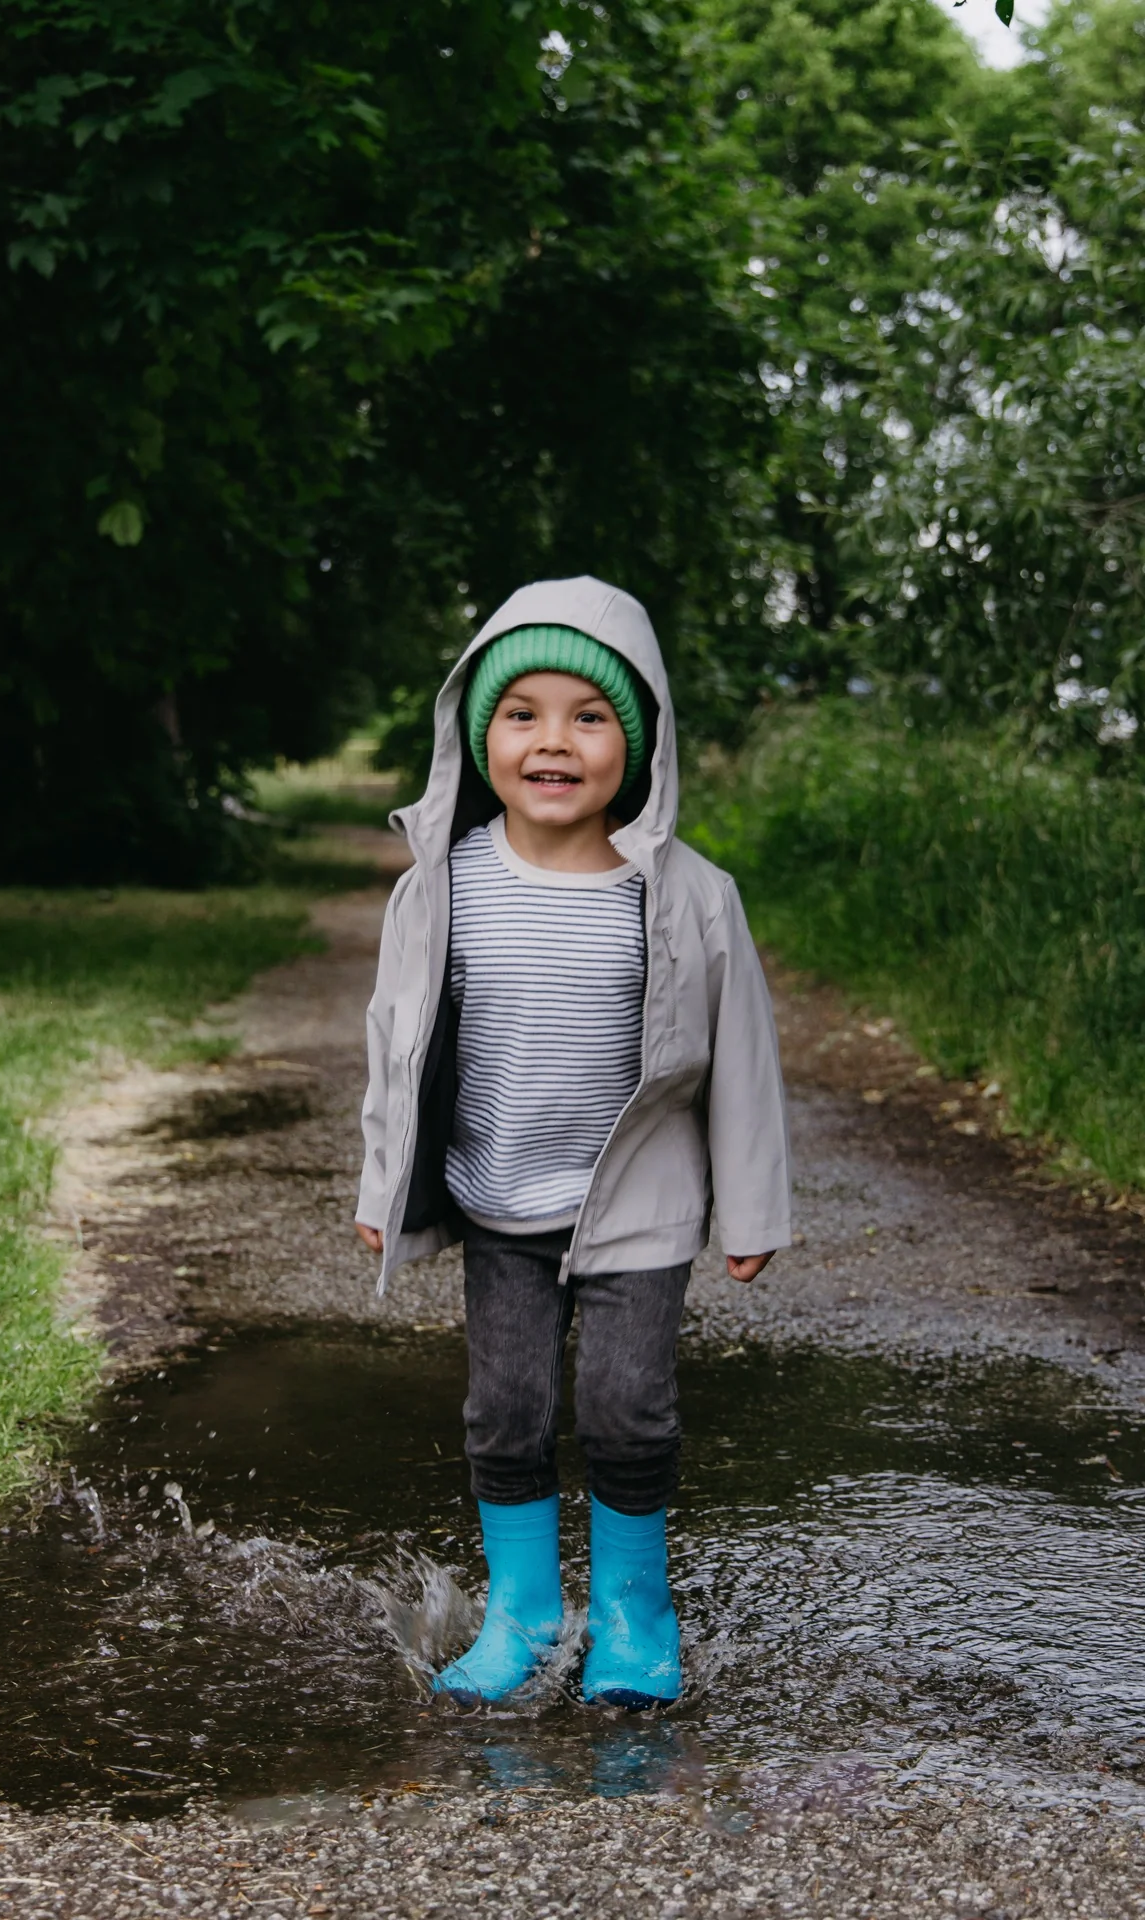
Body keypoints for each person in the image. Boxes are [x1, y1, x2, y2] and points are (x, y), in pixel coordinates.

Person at [355, 575, 792, 1708]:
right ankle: (523, 1612)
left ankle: (636, 1614)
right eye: (523, 713)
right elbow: (396, 1045)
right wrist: (383, 1182)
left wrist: (750, 1213)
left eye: (589, 716)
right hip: (497, 1196)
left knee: (626, 1408)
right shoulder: (443, 888)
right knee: (504, 1411)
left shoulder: (691, 895)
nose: (554, 741)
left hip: (636, 1206)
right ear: (479, 733)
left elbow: (740, 1060)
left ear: (636, 743)